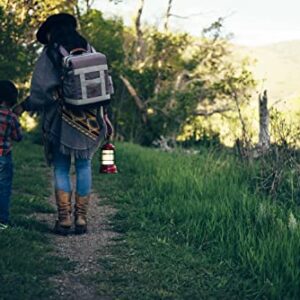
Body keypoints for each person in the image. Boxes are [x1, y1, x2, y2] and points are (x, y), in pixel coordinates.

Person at [16, 13, 108, 235]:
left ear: (52, 32)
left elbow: (41, 91)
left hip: (60, 119)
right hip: (89, 119)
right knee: (84, 165)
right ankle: (82, 218)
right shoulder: (88, 48)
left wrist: (25, 105)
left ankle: (64, 219)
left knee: (61, 167)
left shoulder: (50, 53)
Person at [0, 80, 23, 230]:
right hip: (3, 156)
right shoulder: (11, 117)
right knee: (3, 188)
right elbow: (18, 136)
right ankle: (2, 221)